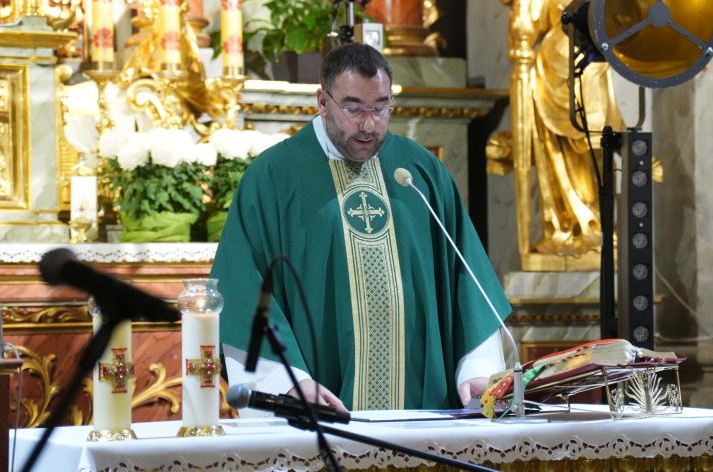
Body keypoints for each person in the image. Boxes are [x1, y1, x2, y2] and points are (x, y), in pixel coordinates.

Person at [211, 43, 511, 413]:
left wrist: (477, 367)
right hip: (319, 410)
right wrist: (288, 383)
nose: (369, 124)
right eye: (353, 108)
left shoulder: (420, 171)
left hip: (424, 412)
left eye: (381, 107)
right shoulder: (273, 177)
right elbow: (245, 289)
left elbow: (467, 280)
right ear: (323, 101)